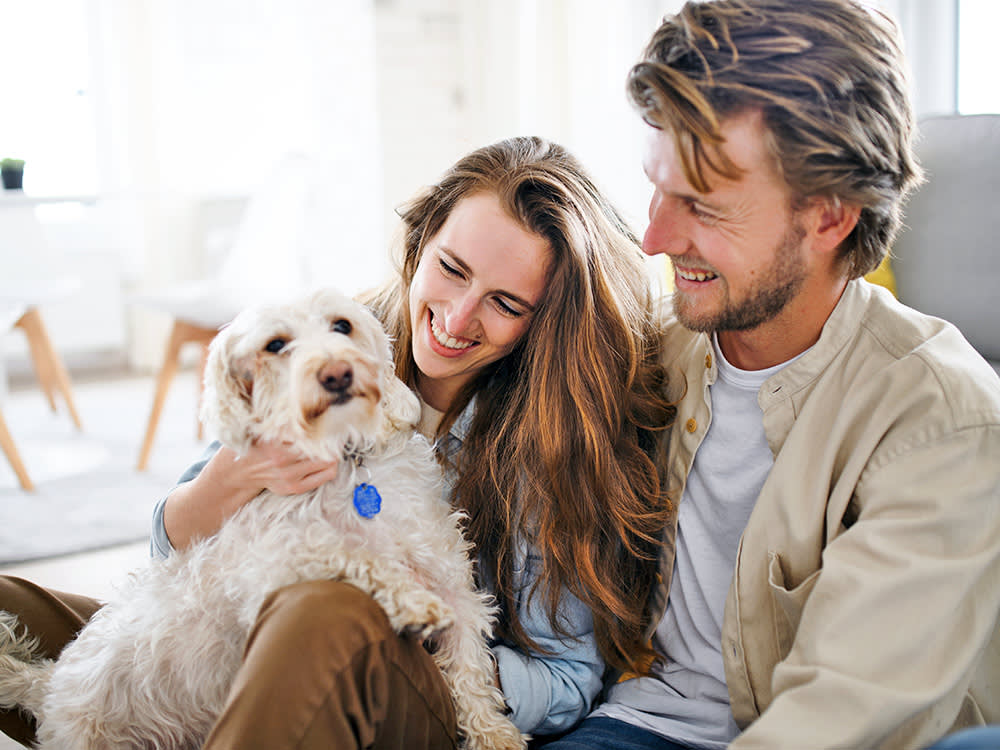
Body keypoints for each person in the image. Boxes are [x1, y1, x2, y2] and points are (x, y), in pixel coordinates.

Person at [0, 136, 674, 749]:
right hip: (231, 641)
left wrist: (435, 637)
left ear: (543, 321)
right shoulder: (338, 335)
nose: (459, 316)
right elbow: (172, 556)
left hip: (399, 682)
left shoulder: (555, 443)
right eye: (452, 268)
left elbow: (566, 680)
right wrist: (228, 479)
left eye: (506, 303)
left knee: (320, 613)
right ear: (420, 240)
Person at [539, 1, 1000, 749]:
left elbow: (834, 724)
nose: (655, 236)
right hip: (625, 720)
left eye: (703, 206)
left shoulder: (943, 426)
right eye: (657, 186)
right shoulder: (652, 346)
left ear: (828, 217)